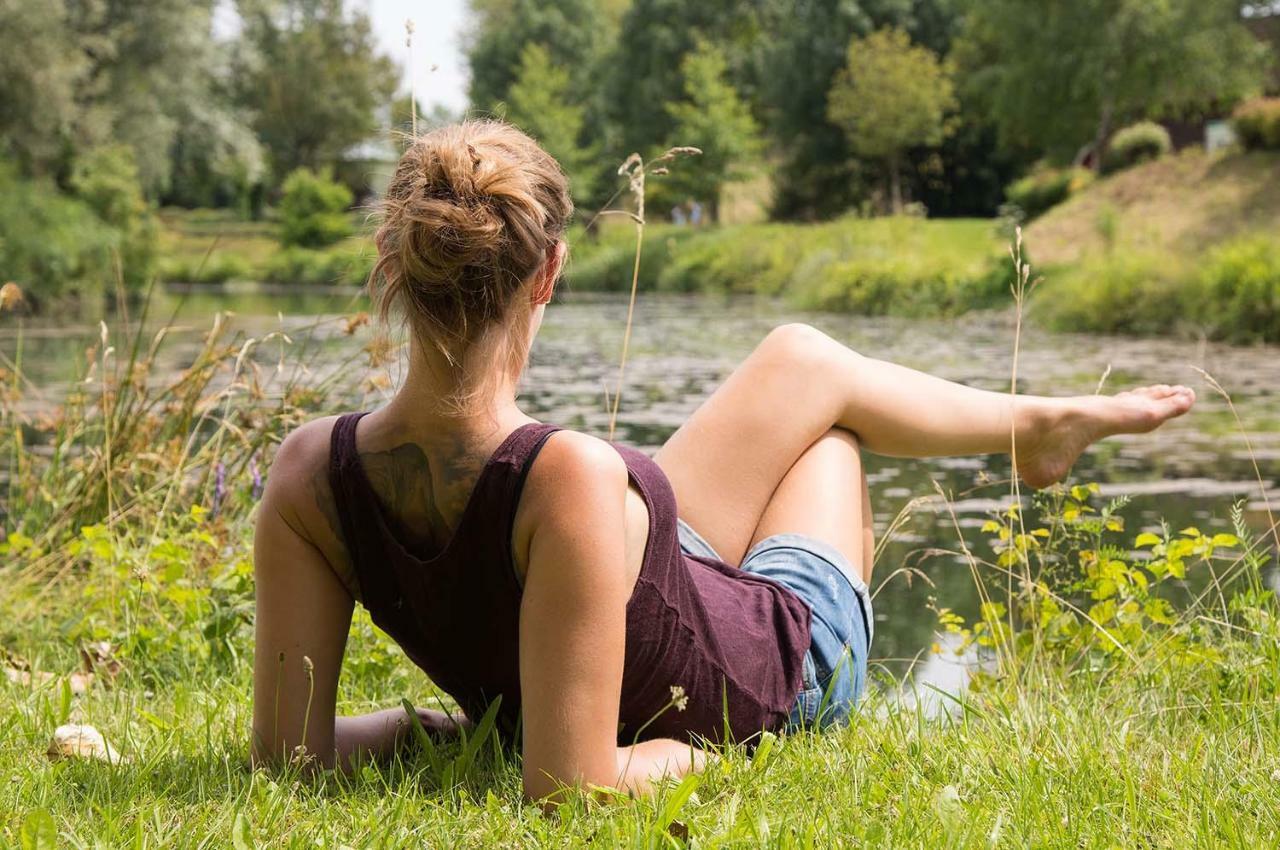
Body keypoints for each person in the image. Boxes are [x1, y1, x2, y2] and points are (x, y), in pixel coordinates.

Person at [250, 120, 1195, 802]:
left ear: (393, 264)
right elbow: (571, 791)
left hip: (644, 578)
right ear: (549, 273)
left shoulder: (307, 477)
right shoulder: (566, 477)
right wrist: (713, 757)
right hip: (780, 666)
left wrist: (459, 729)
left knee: (799, 358)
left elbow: (290, 756)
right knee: (830, 434)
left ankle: (1037, 422)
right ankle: (1036, 427)